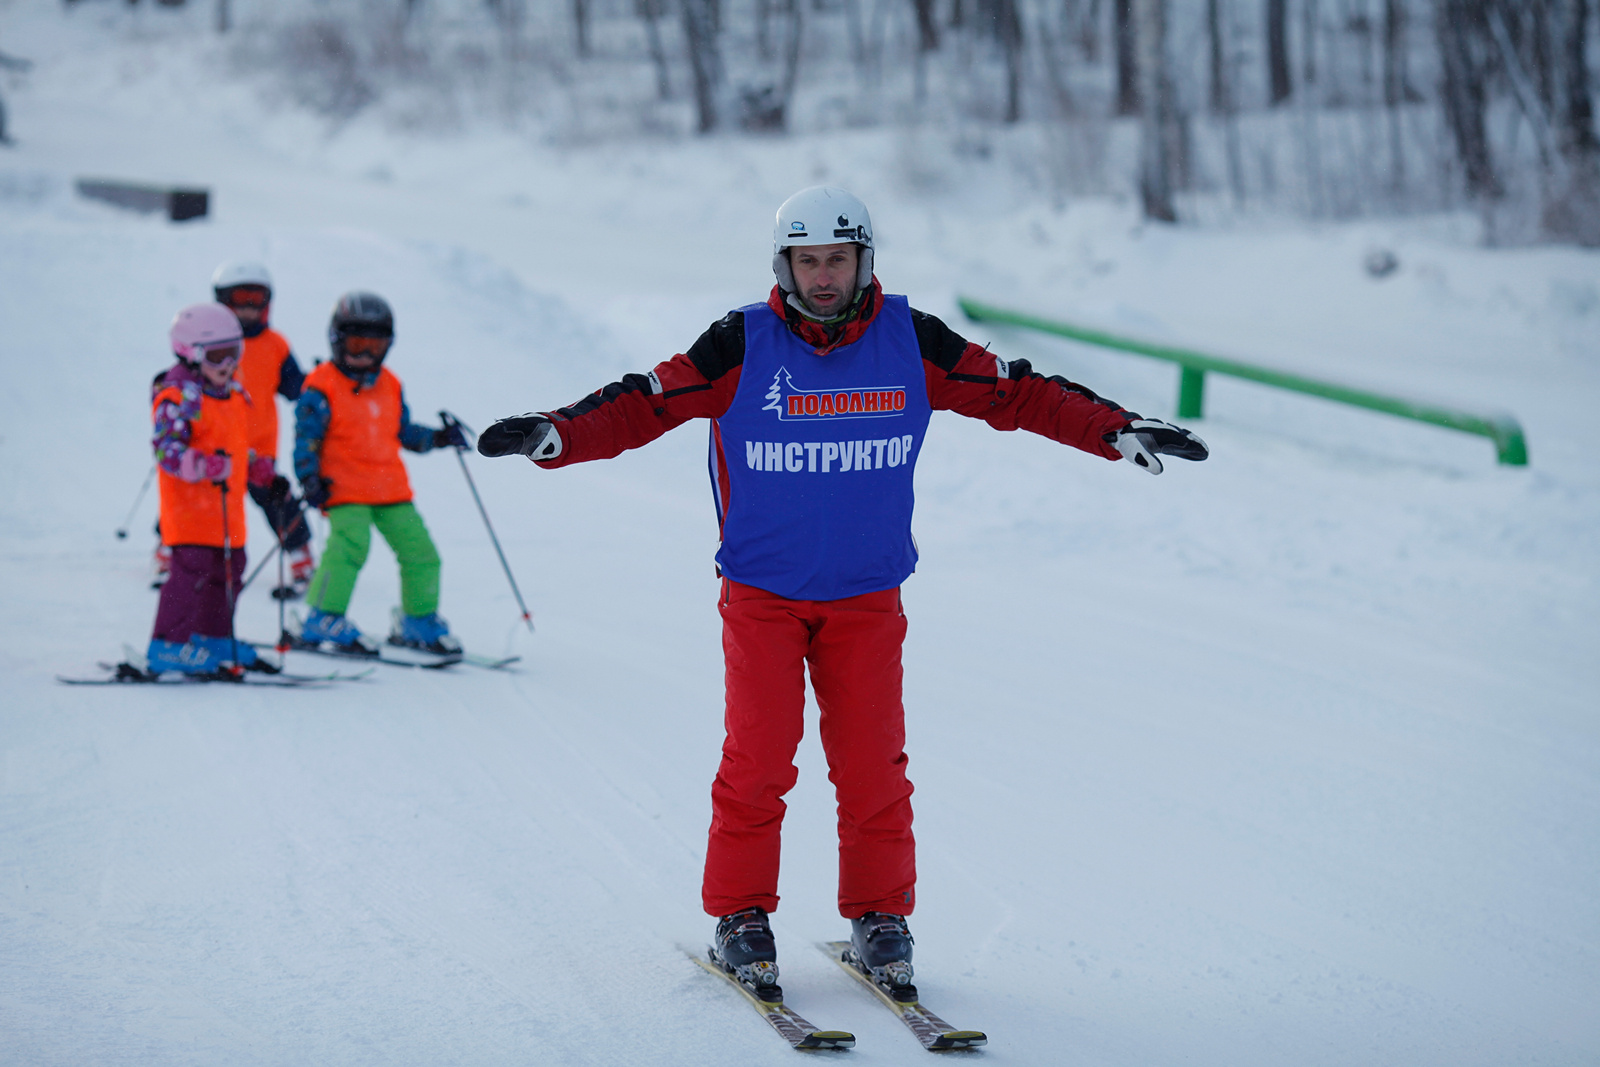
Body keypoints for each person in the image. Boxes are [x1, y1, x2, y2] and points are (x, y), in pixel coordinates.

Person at [476, 187, 1210, 997]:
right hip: (764, 593)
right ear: (783, 264)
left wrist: (1114, 428)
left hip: (867, 595)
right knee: (758, 757)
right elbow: (647, 402)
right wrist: (558, 433)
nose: (823, 276)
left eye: (838, 259)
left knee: (871, 766)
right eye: (807, 260)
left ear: (865, 260)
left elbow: (1017, 391)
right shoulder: (739, 343)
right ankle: (741, 915)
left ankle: (880, 915)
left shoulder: (911, 339)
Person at [292, 291, 468, 656]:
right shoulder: (320, 386)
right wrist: (308, 477)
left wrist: (437, 438)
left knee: (421, 551)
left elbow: (403, 433)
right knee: (350, 547)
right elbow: (305, 440)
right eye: (356, 343)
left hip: (390, 489)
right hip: (342, 488)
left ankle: (417, 621)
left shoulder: (391, 384)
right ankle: (321, 617)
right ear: (337, 340)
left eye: (373, 344)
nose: (364, 353)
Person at [146, 303, 271, 675]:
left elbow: (229, 444)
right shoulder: (179, 398)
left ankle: (212, 637)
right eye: (218, 355)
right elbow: (167, 451)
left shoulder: (232, 395)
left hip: (225, 512)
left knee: (231, 569)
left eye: (235, 352)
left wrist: (255, 467)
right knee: (191, 572)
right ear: (191, 353)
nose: (228, 364)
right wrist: (202, 465)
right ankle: (167, 643)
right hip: (190, 512)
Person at [211, 261, 317, 598]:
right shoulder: (212, 342)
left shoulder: (275, 345)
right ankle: (169, 549)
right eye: (238, 299)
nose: (246, 308)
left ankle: (301, 557)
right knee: (199, 501)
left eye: (254, 299)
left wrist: (317, 386)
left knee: (279, 502)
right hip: (215, 446)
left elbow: (294, 387)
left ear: (267, 302)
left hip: (259, 450)